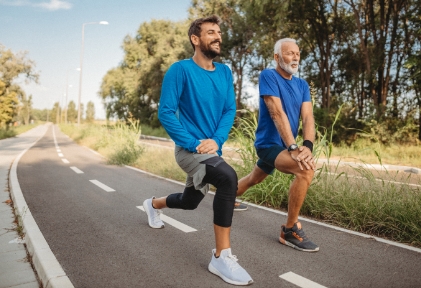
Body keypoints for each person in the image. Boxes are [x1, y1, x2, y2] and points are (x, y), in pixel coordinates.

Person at [142, 15, 253, 286]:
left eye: (219, 32)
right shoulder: (179, 71)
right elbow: (166, 113)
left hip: (211, 150)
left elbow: (229, 110)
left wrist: (216, 139)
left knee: (190, 202)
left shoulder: (225, 72)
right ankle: (221, 256)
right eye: (211, 32)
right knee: (228, 178)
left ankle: (153, 204)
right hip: (189, 151)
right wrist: (194, 143)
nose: (218, 36)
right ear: (195, 39)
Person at [236, 38, 319, 252]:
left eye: (297, 54)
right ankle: (289, 229)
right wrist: (293, 147)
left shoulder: (302, 85)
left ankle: (226, 197)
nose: (295, 57)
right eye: (290, 53)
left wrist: (307, 146)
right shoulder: (269, 75)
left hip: (285, 146)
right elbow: (276, 111)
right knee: (305, 170)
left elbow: (308, 117)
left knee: (254, 179)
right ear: (277, 57)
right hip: (269, 144)